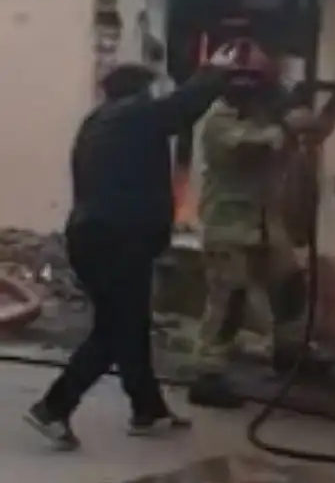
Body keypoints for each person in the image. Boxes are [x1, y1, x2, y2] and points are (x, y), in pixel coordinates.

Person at [25, 61, 232, 450]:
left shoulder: (98, 121)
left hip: (94, 236)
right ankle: (53, 407)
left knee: (129, 324)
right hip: (118, 240)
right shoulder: (133, 116)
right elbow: (181, 108)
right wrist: (214, 73)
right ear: (140, 90)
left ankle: (147, 408)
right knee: (115, 331)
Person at [187, 37, 335, 410]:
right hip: (229, 226)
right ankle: (207, 373)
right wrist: (289, 116)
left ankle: (290, 352)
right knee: (229, 301)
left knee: (290, 286)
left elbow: (314, 131)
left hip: (266, 222)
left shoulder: (264, 115)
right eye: (242, 79)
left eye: (256, 79)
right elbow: (262, 144)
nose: (249, 87)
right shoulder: (218, 121)